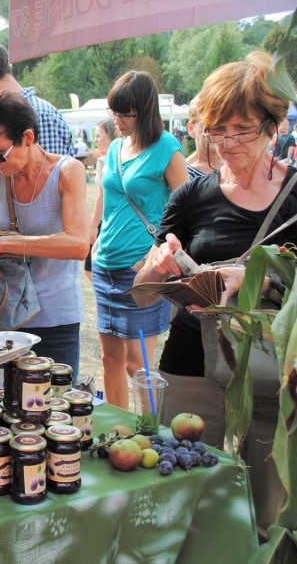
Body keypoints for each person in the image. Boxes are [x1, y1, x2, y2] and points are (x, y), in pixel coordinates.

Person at [131, 52, 297, 533]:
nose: (227, 142)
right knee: (184, 500)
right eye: (216, 130)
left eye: (242, 129)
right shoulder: (192, 196)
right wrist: (158, 266)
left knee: (272, 510)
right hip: (194, 362)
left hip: (271, 372)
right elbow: (142, 293)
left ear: (273, 124)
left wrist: (256, 279)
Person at [0, 89, 89, 378]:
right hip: (3, 314)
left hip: (54, 319)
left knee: (53, 408)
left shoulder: (68, 171)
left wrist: (3, 245)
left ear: (27, 138)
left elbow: (78, 245)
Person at [91, 71, 190, 409]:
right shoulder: (117, 146)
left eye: (125, 113)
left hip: (142, 271)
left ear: (144, 111)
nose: (116, 120)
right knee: (110, 359)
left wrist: (154, 253)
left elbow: (187, 208)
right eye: (113, 112)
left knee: (139, 364)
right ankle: (116, 430)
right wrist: (92, 241)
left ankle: (146, 433)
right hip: (105, 265)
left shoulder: (166, 149)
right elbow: (106, 199)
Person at [0, 39, 75, 234]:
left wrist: (11, 244)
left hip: (41, 252)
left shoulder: (41, 115)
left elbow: (51, 195)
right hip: (7, 250)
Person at [85, 116, 118, 283]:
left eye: (99, 135)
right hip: (112, 218)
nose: (96, 140)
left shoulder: (106, 160)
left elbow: (101, 195)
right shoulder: (114, 156)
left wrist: (92, 226)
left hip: (105, 219)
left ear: (110, 136)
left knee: (92, 269)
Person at [184, 95, 223, 178]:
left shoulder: (237, 165)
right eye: (208, 126)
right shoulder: (183, 173)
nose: (214, 133)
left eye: (220, 127)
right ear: (191, 129)